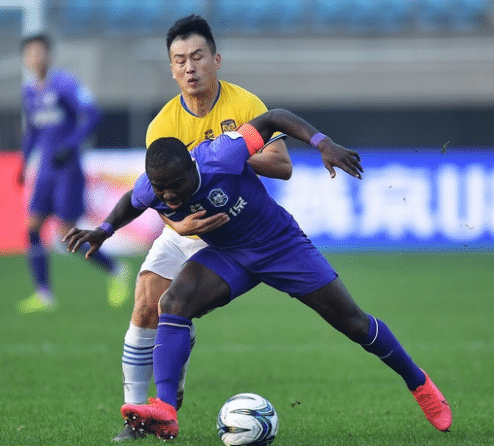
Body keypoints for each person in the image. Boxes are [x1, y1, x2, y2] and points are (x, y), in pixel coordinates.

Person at [64, 108, 453, 441]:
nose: (168, 196)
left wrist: (323, 143)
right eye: (161, 189)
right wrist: (104, 230)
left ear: (192, 167)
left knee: (353, 322)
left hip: (280, 247)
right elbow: (132, 202)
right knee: (173, 303)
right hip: (229, 255)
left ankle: (418, 382)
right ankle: (166, 408)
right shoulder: (155, 186)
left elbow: (275, 118)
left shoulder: (223, 154)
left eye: (175, 185)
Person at [115, 15, 291, 441]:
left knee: (177, 306)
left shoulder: (245, 105)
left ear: (216, 60)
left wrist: (226, 155)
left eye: (197, 57)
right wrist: (177, 222)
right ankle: (136, 419)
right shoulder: (162, 125)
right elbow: (158, 194)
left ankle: (168, 388)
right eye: (180, 60)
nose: (189, 67)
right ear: (172, 69)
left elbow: (282, 165)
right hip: (183, 228)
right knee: (145, 303)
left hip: (227, 229)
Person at [17, 33, 129, 314]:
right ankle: (43, 293)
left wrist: (71, 145)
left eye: (40, 52)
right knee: (32, 226)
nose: (35, 58)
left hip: (67, 170)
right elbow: (32, 131)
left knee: (66, 234)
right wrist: (23, 163)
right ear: (25, 59)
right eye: (30, 54)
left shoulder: (65, 84)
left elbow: (93, 114)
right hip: (45, 170)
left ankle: (116, 269)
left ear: (49, 55)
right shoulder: (29, 91)